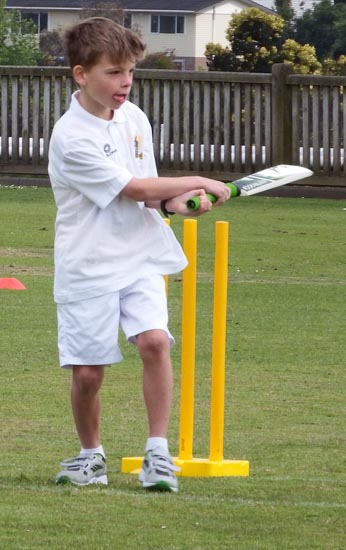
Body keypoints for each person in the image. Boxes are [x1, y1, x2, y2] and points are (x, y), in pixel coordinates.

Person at [48, 17, 231, 491]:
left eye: (130, 71)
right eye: (113, 72)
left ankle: (157, 454)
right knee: (88, 373)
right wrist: (198, 179)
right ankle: (90, 456)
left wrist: (176, 204)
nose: (125, 81)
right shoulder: (71, 136)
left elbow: (149, 193)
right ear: (81, 74)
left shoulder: (134, 118)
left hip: (140, 254)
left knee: (154, 342)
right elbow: (131, 188)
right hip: (88, 264)